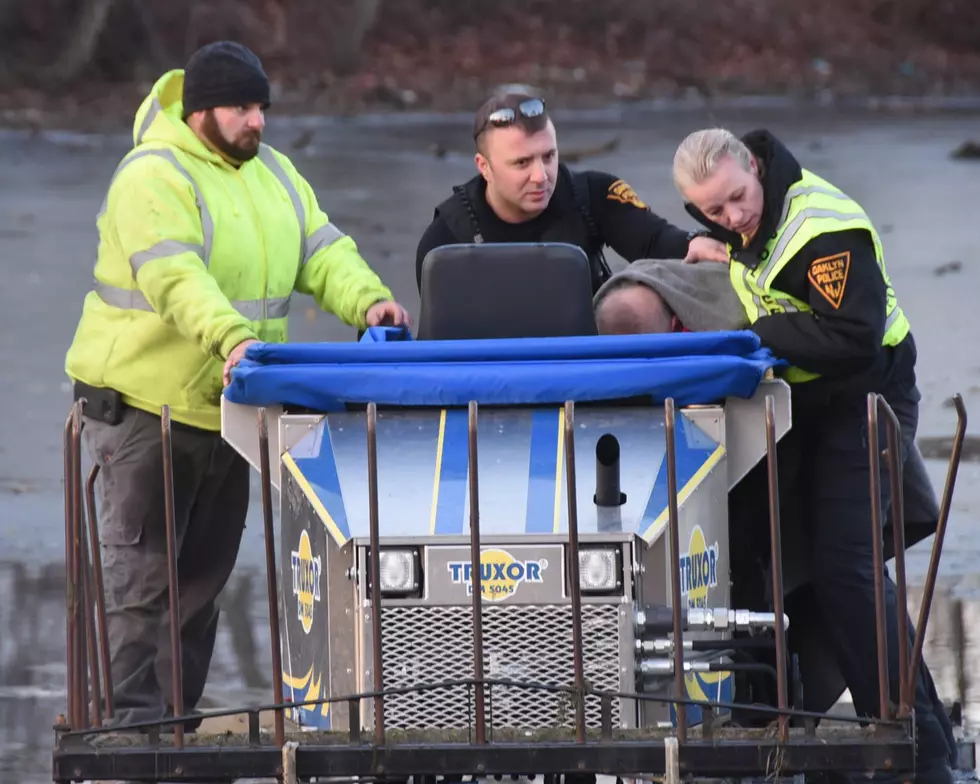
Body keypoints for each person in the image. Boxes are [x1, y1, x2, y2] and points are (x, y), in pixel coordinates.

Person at [63, 41, 410, 731]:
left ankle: (176, 723)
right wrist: (233, 338)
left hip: (228, 407)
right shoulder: (152, 176)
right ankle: (132, 735)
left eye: (261, 108)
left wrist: (369, 301)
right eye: (240, 108)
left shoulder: (271, 173)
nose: (257, 121)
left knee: (201, 583)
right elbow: (175, 278)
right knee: (142, 585)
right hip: (142, 411)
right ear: (199, 113)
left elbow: (321, 248)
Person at [671, 127, 956, 782]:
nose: (734, 217)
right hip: (807, 407)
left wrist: (759, 332)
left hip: (867, 395)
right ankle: (785, 716)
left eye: (739, 199)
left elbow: (854, 337)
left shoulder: (822, 231)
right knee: (769, 554)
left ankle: (920, 749)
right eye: (714, 211)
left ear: (754, 166)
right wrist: (723, 253)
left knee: (846, 573)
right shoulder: (750, 231)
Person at [414, 92, 729, 294]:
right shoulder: (445, 239)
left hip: (583, 364)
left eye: (548, 156)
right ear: (484, 167)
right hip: (489, 378)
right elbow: (439, 337)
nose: (540, 176)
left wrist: (696, 242)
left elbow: (656, 241)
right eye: (522, 163)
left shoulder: (592, 195)